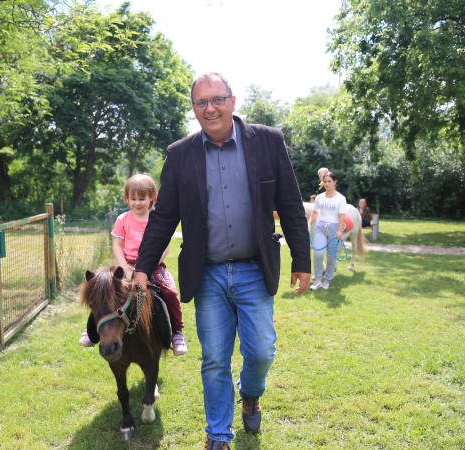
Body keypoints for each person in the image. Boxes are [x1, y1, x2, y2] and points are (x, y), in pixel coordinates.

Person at [131, 72, 311, 450]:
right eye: (201, 102)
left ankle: (251, 392)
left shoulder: (267, 141)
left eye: (217, 99)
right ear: (194, 109)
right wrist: (143, 268)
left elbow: (291, 205)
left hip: (254, 268)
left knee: (261, 350)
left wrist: (303, 260)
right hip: (208, 272)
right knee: (214, 359)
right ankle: (217, 436)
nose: (210, 108)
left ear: (232, 100)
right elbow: (163, 217)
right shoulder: (180, 154)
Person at [78, 174, 188, 356]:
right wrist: (124, 266)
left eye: (142, 198)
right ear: (127, 198)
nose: (137, 203)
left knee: (170, 291)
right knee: (101, 290)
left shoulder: (157, 219)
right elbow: (117, 244)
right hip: (125, 265)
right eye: (133, 198)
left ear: (152, 198)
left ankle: (177, 332)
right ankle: (92, 331)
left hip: (153, 265)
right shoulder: (122, 219)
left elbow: (164, 246)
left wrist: (149, 265)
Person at [308, 172, 347, 290]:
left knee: (331, 257)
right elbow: (315, 213)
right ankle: (318, 280)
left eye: (329, 181)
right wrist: (309, 224)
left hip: (335, 228)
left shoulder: (341, 198)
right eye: (325, 181)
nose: (327, 184)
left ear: (335, 182)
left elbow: (341, 216)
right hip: (321, 227)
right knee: (318, 254)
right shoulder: (319, 197)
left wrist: (339, 231)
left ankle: (327, 280)